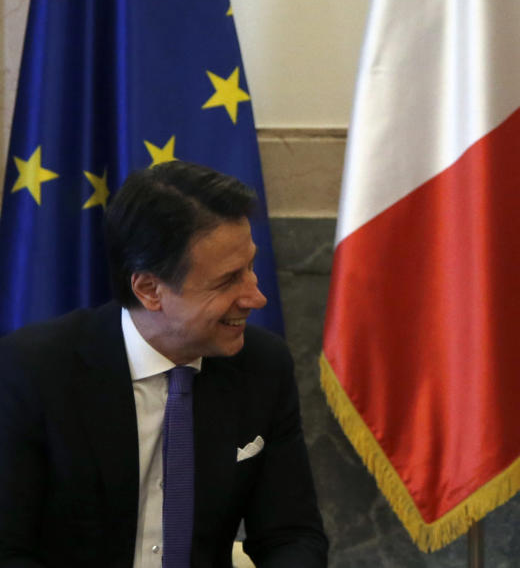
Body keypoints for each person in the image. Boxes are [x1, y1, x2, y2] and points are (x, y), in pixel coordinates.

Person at [0, 161, 328, 567]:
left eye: (250, 268)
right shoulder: (34, 370)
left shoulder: (261, 366)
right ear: (150, 289)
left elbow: (292, 536)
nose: (255, 297)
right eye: (228, 280)